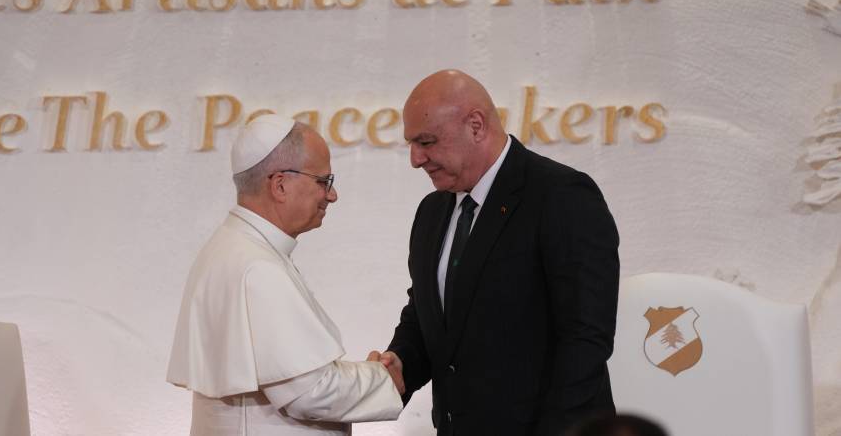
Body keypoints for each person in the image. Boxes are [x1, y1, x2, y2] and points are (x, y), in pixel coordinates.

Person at [372, 70, 620, 436]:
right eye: (411, 143)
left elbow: (585, 340)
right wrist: (398, 366)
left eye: (426, 141)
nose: (415, 159)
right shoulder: (431, 212)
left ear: (476, 125)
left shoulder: (562, 196)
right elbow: (428, 319)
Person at [168, 114, 403, 436]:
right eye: (324, 182)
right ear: (280, 185)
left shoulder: (234, 248)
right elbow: (311, 392)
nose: (331, 196)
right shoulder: (257, 266)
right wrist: (383, 378)